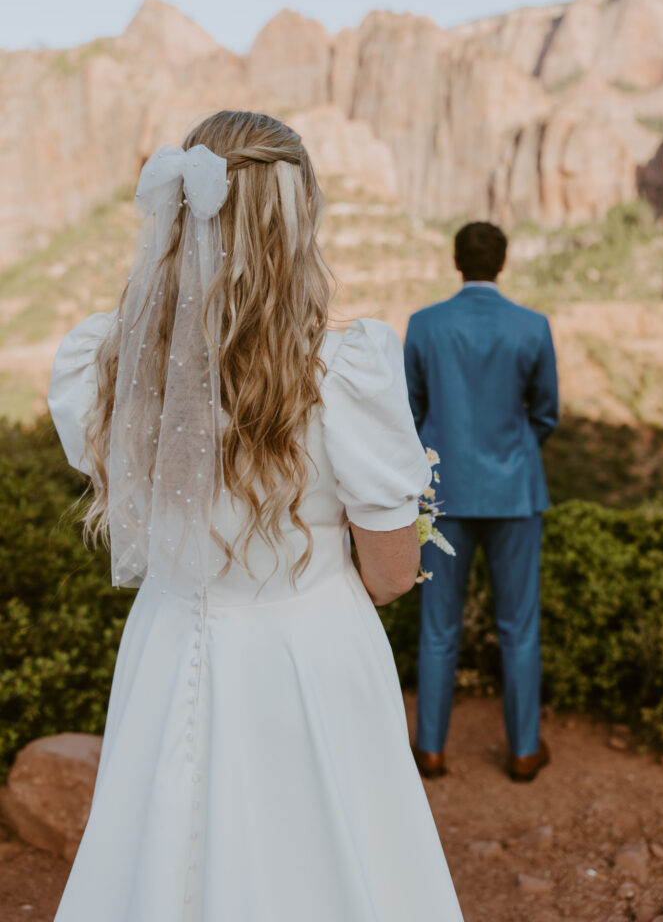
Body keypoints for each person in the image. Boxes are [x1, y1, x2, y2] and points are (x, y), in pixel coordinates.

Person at [48, 111, 464, 921]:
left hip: (167, 641)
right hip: (305, 653)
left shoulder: (104, 362)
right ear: (296, 219)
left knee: (159, 846)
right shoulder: (346, 368)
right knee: (328, 858)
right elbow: (385, 575)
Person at [404, 221, 558, 783]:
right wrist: (514, 455)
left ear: (456, 261)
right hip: (515, 493)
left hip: (441, 494)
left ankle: (431, 750)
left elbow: (410, 412)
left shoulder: (424, 325)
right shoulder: (533, 327)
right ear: (503, 261)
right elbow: (546, 412)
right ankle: (522, 750)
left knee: (438, 624)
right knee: (519, 625)